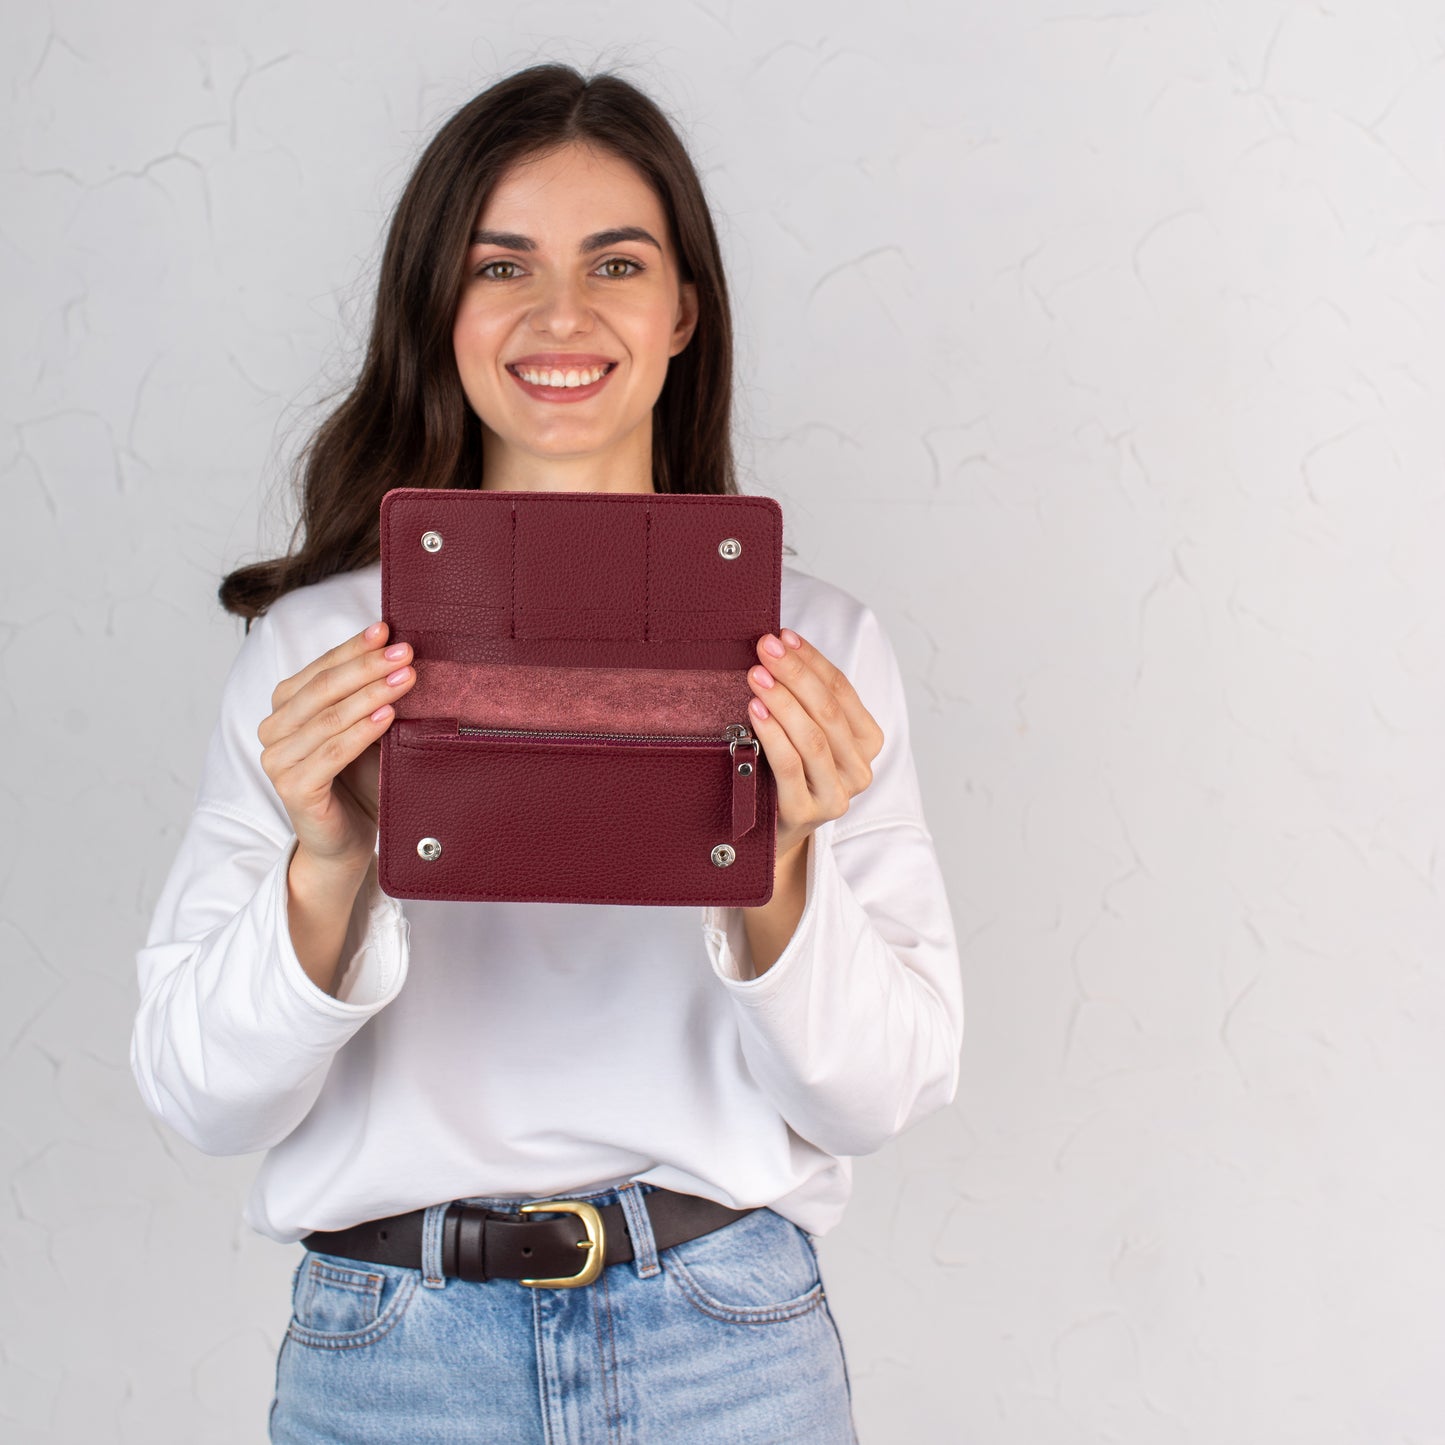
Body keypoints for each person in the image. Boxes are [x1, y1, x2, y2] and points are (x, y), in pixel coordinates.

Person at [130, 62, 964, 1445]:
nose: (560, 313)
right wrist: (329, 867)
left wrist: (784, 866)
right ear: (436, 308)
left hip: (725, 1344)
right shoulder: (315, 655)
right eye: (500, 263)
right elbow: (199, 1097)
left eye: (615, 262)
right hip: (392, 1351)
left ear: (682, 306)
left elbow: (878, 1095)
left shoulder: (816, 651)